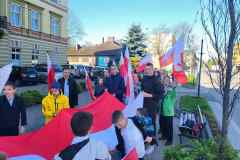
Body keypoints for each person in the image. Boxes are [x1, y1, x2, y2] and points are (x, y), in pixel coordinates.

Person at [141, 63, 164, 132]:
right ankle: (147, 137)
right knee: (145, 122)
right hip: (144, 104)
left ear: (153, 69)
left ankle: (153, 140)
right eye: (146, 69)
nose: (147, 71)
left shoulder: (157, 80)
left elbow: (160, 95)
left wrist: (149, 95)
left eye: (149, 69)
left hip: (152, 105)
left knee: (151, 122)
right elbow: (142, 88)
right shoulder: (144, 78)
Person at [161, 77, 176, 145]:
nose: (166, 81)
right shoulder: (162, 88)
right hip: (162, 110)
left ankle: (170, 140)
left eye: (167, 80)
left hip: (169, 112)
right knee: (163, 125)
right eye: (165, 80)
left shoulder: (171, 90)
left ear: (169, 82)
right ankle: (164, 136)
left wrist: (173, 88)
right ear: (163, 81)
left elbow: (174, 96)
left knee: (169, 127)